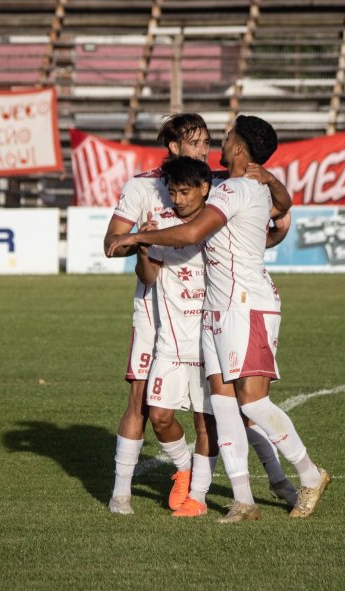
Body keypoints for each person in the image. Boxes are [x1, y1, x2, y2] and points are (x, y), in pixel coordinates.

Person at [108, 115, 330, 523]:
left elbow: (192, 234)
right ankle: (243, 500)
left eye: (224, 139)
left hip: (245, 304)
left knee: (252, 402)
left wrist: (140, 236)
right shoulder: (239, 185)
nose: (217, 145)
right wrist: (273, 181)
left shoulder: (236, 189)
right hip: (218, 308)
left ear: (240, 149)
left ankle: (309, 474)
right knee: (226, 408)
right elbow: (283, 204)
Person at [134, 156, 218, 517]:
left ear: (203, 188)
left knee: (205, 422)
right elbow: (149, 277)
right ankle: (184, 470)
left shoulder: (217, 222)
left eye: (185, 191)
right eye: (172, 192)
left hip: (210, 341)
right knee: (160, 417)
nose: (178, 199)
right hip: (170, 341)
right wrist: (141, 246)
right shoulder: (161, 225)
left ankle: (197, 498)